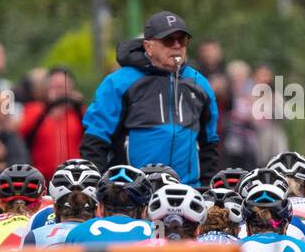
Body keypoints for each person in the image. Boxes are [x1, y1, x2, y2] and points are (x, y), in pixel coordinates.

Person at [80, 11, 221, 188]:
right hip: (131, 193)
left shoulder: (199, 83)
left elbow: (209, 143)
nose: (177, 46)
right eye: (168, 40)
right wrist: (97, 188)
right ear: (148, 46)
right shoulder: (118, 83)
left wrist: (206, 188)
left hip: (187, 191)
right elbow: (95, 140)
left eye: (182, 40)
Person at [17, 67, 83, 180]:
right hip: (39, 180)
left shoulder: (79, 113)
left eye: (62, 87)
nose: (59, 91)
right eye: (54, 86)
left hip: (74, 180)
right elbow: (19, 134)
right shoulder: (33, 110)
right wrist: (49, 110)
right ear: (46, 88)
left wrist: (77, 105)